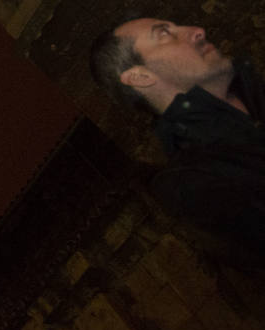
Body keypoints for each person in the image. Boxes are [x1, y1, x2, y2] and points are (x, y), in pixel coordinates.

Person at [90, 16, 265, 264]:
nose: (198, 31)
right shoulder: (196, 182)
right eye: (164, 34)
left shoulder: (255, 90)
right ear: (140, 77)